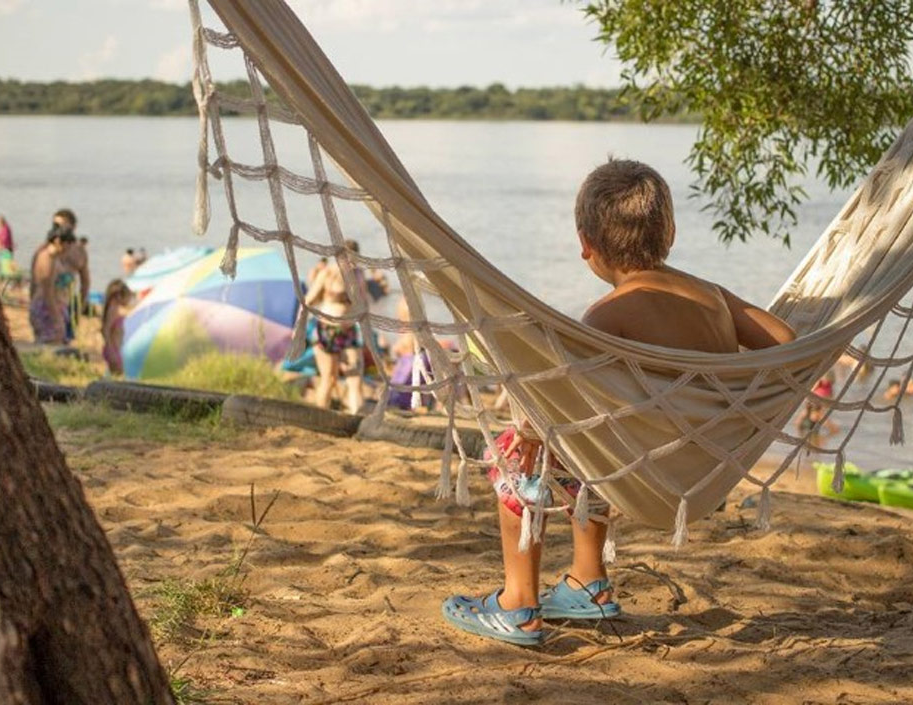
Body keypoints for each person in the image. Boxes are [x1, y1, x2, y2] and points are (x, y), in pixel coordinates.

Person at [441, 159, 797, 646]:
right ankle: (589, 583)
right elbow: (787, 343)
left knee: (516, 456)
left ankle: (517, 603)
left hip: (637, 467)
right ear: (669, 232)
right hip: (701, 465)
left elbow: (562, 397)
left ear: (585, 244)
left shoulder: (607, 316)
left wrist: (526, 430)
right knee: (596, 443)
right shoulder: (713, 295)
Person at [303, 239, 367, 414]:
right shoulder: (327, 273)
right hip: (326, 329)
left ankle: (357, 414)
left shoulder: (359, 275)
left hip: (349, 330)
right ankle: (320, 415)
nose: (352, 263)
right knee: (329, 378)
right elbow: (308, 300)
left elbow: (364, 304)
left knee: (355, 377)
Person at [52, 209, 90, 339]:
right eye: (56, 225)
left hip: (68, 301)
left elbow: (85, 281)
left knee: (66, 340)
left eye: (62, 225)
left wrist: (81, 304)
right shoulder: (49, 247)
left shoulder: (79, 251)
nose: (59, 228)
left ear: (73, 226)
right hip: (50, 300)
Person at [28, 228, 69, 344]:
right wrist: (56, 316)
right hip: (46, 307)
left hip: (48, 305)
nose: (68, 249)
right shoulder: (47, 258)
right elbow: (47, 290)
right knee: (51, 345)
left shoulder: (53, 257)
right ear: (58, 242)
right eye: (67, 244)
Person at [101, 279, 132, 376]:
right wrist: (110, 349)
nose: (129, 301)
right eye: (128, 297)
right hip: (113, 349)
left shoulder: (115, 308)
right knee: (117, 376)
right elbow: (106, 329)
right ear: (119, 296)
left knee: (115, 376)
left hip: (116, 349)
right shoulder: (113, 310)